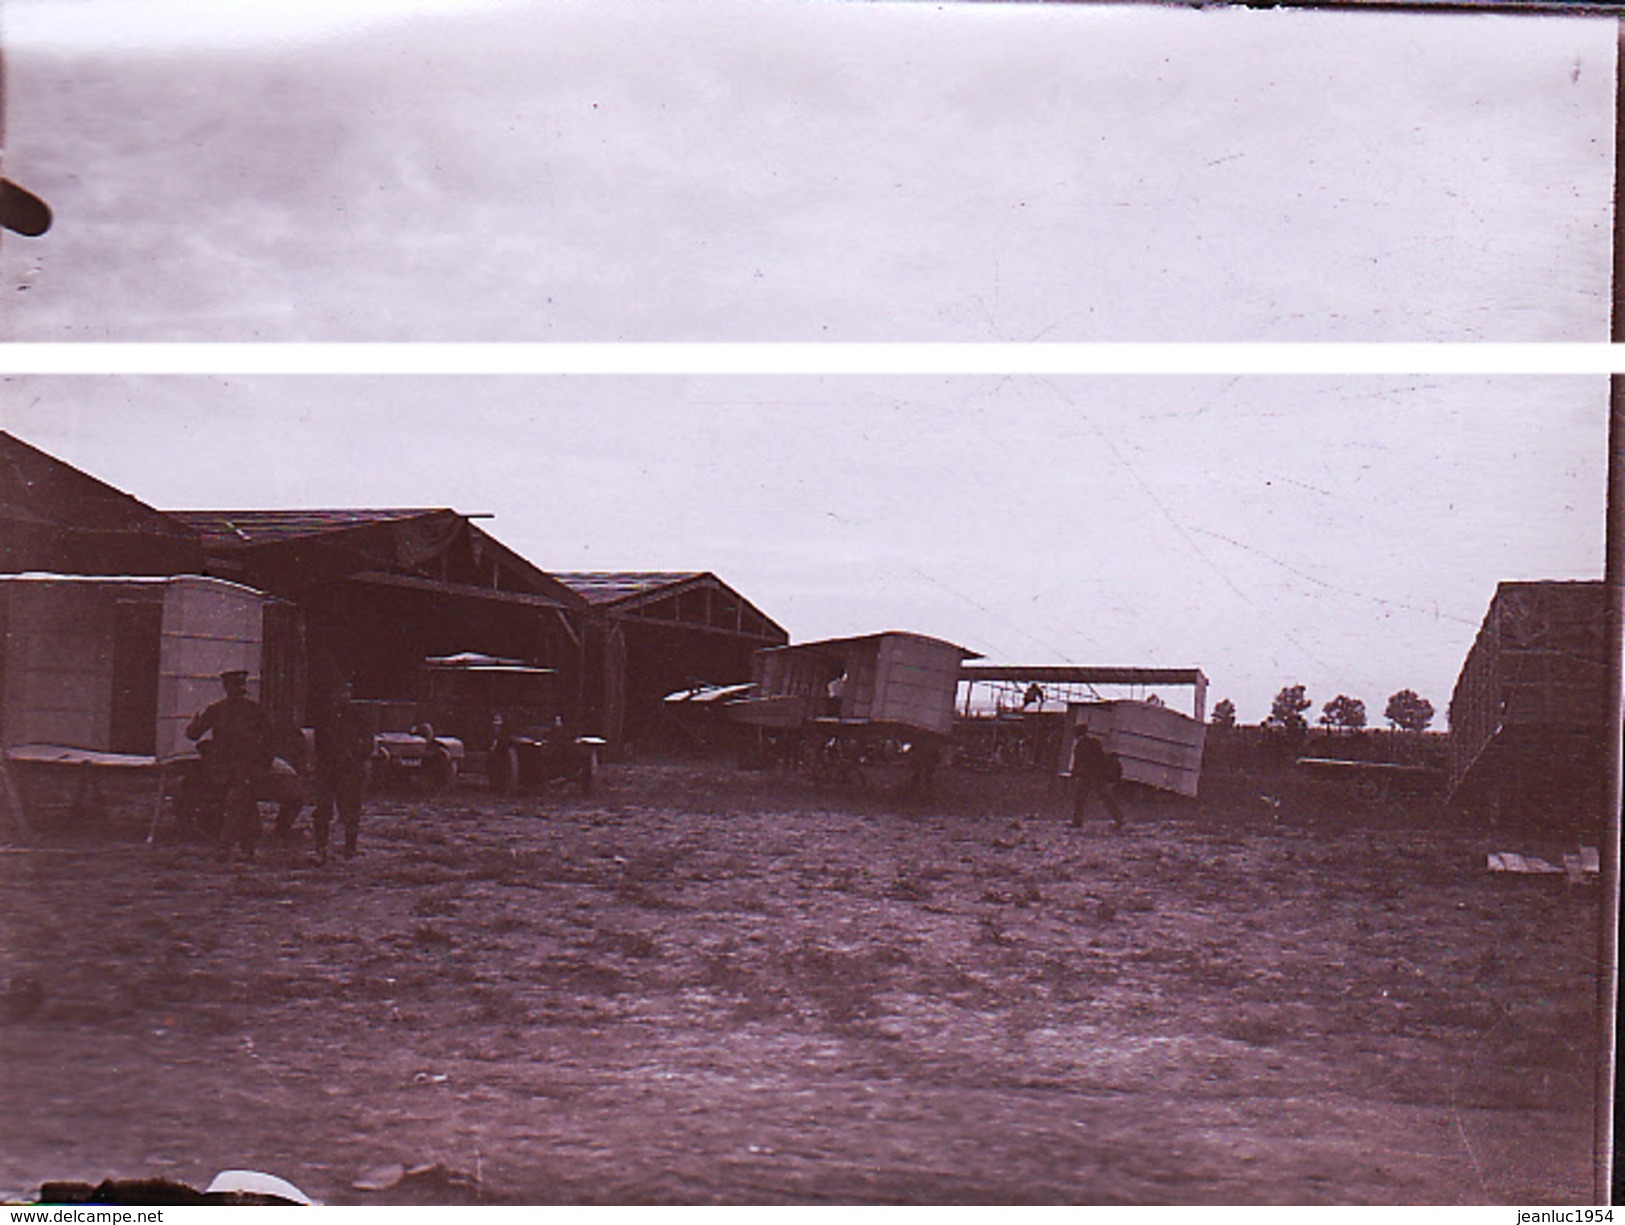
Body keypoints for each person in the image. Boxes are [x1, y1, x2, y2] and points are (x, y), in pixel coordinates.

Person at [185, 670, 273, 862]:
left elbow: (269, 740)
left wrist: (264, 763)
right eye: (234, 687)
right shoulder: (219, 710)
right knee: (243, 806)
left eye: (239, 687)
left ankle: (225, 848)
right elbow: (193, 734)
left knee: (236, 803)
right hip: (224, 768)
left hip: (244, 767)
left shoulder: (252, 711)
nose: (237, 691)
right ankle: (248, 847)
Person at [310, 679, 374, 863]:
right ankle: (320, 848)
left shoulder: (359, 715)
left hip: (351, 770)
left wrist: (356, 755)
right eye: (339, 692)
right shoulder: (323, 716)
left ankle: (350, 848)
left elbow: (368, 741)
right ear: (332, 695)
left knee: (351, 811)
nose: (344, 696)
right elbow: (319, 744)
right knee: (323, 810)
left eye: (347, 692)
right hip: (328, 769)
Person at [1069, 726, 1125, 830]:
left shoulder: (1080, 745)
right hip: (1096, 775)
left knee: (1081, 798)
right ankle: (1119, 819)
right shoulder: (1094, 742)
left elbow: (1078, 763)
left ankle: (1077, 821)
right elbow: (1101, 757)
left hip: (1088, 776)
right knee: (1105, 798)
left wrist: (1074, 774)